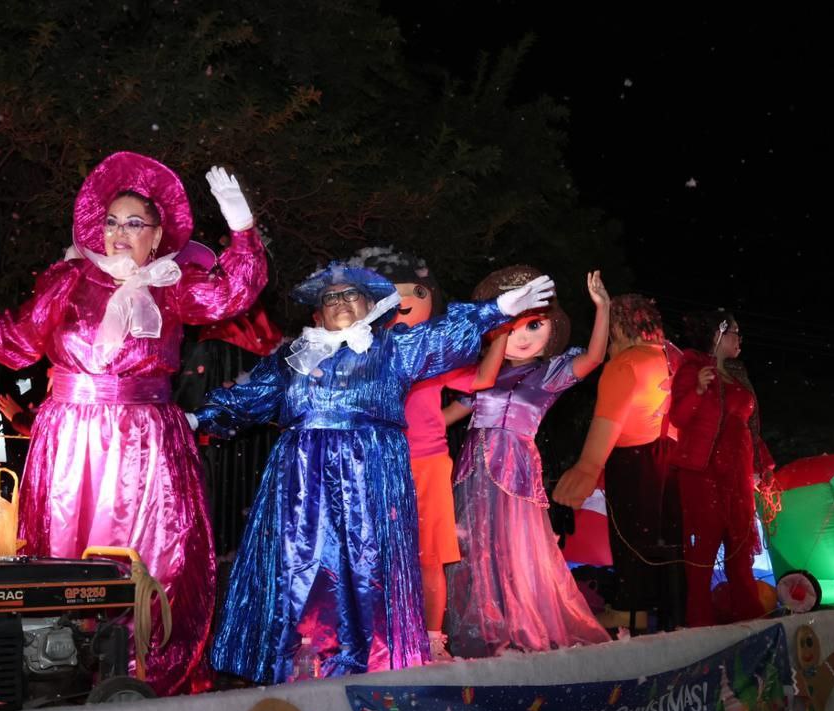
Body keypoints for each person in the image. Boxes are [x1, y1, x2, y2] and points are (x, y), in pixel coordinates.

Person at [0, 152, 266, 695]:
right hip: (73, 438)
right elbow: (21, 337)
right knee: (66, 550)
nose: (120, 233)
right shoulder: (70, 279)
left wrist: (242, 228)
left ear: (157, 235)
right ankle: (63, 664)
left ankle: (143, 664)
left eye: (134, 223)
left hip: (148, 440)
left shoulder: (172, 285)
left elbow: (232, 293)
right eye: (112, 222)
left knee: (156, 553)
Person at [194, 263, 554, 683]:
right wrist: (197, 419)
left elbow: (441, 337)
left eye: (352, 295)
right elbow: (249, 396)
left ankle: (368, 663)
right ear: (317, 313)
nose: (341, 302)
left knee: (366, 566)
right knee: (297, 565)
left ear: (372, 306)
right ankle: (294, 661)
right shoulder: (295, 358)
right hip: (300, 478)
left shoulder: (393, 348)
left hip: (369, 472)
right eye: (331, 297)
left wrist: (496, 310)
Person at [443, 266, 612, 657]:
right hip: (472, 472)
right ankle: (485, 624)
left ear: (552, 331)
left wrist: (602, 308)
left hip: (515, 468)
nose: (522, 336)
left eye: (534, 326)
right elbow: (444, 417)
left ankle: (522, 623)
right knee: (474, 547)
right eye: (513, 327)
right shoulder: (484, 376)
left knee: (518, 547)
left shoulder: (550, 373)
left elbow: (594, 357)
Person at [352, 247, 503, 661]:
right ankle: (378, 637)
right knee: (374, 553)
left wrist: (502, 332)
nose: (404, 302)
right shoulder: (363, 350)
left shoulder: (435, 354)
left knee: (430, 555)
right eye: (392, 292)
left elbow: (483, 379)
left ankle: (434, 639)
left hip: (427, 462)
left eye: (416, 292)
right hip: (376, 463)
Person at [553, 294, 683, 632]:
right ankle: (673, 607)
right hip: (671, 459)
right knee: (666, 536)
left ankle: (630, 609)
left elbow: (607, 422)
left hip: (633, 460)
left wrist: (587, 466)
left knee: (631, 537)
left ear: (620, 327)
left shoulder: (626, 364)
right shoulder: (675, 359)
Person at [670, 311, 773, 626]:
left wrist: (763, 463)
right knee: (702, 553)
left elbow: (750, 426)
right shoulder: (692, 370)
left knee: (739, 550)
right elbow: (678, 418)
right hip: (705, 474)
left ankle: (748, 620)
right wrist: (698, 392)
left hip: (736, 474)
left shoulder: (737, 373)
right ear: (717, 335)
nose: (739, 340)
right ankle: (699, 623)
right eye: (734, 333)